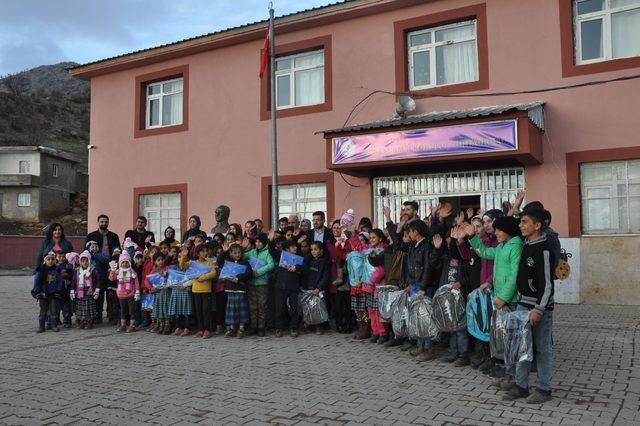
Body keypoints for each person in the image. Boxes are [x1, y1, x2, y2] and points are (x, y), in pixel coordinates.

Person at [502, 208, 555, 404]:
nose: (520, 225)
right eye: (521, 221)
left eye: (525, 222)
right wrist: (514, 207)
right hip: (522, 306)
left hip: (538, 309)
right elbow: (507, 223)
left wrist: (539, 309)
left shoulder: (544, 248)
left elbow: (547, 284)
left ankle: (544, 388)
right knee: (521, 347)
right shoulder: (525, 242)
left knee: (542, 350)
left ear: (537, 225)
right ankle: (521, 386)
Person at [462, 215, 523, 381]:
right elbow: (485, 252)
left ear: (507, 231)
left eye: (498, 230)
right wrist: (472, 238)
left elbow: (514, 276)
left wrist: (503, 297)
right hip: (501, 298)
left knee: (511, 338)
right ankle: (506, 372)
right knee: (502, 336)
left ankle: (513, 375)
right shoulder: (503, 246)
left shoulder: (515, 246)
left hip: (509, 300)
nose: (495, 233)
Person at [405, 219, 436, 361]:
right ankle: (420, 346)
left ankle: (429, 348)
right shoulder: (413, 245)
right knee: (416, 316)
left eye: (410, 231)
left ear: (416, 231)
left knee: (425, 316)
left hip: (423, 286)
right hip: (413, 284)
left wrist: (423, 287)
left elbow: (428, 268)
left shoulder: (427, 245)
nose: (409, 234)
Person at [179, 244, 217, 338]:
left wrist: (203, 276)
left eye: (206, 251)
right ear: (197, 253)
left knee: (206, 310)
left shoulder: (209, 263)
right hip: (196, 290)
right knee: (198, 311)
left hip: (206, 290)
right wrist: (184, 255)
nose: (205, 253)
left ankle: (207, 329)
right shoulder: (193, 263)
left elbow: (214, 273)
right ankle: (201, 329)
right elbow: (183, 265)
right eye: (202, 251)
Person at [244, 233, 275, 337]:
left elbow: (271, 265)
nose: (258, 244)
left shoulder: (267, 253)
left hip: (262, 284)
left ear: (264, 242)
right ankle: (253, 327)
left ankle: (261, 327)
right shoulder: (252, 252)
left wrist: (258, 272)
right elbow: (242, 256)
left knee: (262, 306)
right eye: (256, 242)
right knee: (253, 306)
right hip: (251, 283)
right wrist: (243, 248)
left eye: (260, 241)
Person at [218, 243, 252, 338]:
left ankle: (241, 328)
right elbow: (219, 263)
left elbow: (249, 273)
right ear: (230, 254)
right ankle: (232, 328)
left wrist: (239, 278)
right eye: (235, 253)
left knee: (241, 310)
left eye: (239, 252)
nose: (237, 254)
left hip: (240, 289)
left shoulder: (245, 262)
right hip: (230, 289)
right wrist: (224, 252)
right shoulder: (228, 261)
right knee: (231, 310)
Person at [274, 240, 305, 338]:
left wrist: (297, 268)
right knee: (280, 308)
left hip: (294, 287)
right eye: (292, 246)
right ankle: (279, 328)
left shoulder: (299, 258)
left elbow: (306, 268)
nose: (295, 248)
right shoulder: (280, 256)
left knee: (294, 308)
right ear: (287, 249)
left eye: (295, 246)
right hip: (281, 286)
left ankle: (294, 328)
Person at [31, 251, 64, 333]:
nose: (50, 261)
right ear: (45, 260)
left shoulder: (57, 270)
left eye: (52, 259)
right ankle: (41, 326)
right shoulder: (40, 270)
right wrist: (36, 292)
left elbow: (60, 281)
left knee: (53, 310)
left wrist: (59, 291)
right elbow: (36, 282)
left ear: (55, 260)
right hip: (43, 294)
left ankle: (53, 325)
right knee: (43, 310)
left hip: (53, 294)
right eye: (48, 259)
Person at [301, 242, 330, 334]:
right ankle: (309, 324)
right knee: (309, 307)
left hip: (318, 290)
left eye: (315, 249)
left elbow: (325, 277)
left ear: (321, 250)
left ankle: (319, 326)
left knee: (318, 307)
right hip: (309, 289)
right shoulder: (310, 261)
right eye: (312, 249)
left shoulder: (324, 262)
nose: (313, 251)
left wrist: (319, 288)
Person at [109, 252, 140, 333]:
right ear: (120, 263)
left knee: (132, 310)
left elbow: (136, 282)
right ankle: (123, 324)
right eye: (123, 262)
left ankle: (132, 324)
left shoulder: (132, 271)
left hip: (131, 294)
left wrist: (137, 292)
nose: (125, 264)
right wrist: (112, 271)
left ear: (129, 262)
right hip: (121, 294)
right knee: (123, 310)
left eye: (127, 262)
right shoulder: (118, 271)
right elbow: (111, 278)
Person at [70, 251, 100, 329]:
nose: (85, 263)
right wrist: (72, 290)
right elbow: (74, 281)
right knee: (81, 307)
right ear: (80, 262)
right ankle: (82, 321)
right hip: (80, 291)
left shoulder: (93, 270)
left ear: (89, 261)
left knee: (89, 307)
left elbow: (97, 281)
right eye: (83, 261)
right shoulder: (77, 271)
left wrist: (97, 290)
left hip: (90, 291)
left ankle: (89, 322)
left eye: (86, 261)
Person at [146, 253, 171, 334]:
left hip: (166, 293)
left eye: (162, 259)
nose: (161, 261)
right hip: (158, 294)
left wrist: (168, 284)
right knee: (160, 309)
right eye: (158, 260)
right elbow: (147, 280)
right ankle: (161, 325)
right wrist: (151, 288)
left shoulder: (168, 269)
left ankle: (167, 326)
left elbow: (171, 279)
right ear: (155, 262)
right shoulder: (153, 270)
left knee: (165, 308)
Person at [55, 250, 74, 328]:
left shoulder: (68, 266)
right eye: (59, 257)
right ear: (56, 257)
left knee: (66, 308)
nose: (61, 258)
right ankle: (56, 321)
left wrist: (65, 274)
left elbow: (72, 275)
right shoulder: (54, 266)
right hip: (56, 291)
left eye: (63, 257)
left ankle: (67, 321)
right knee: (56, 308)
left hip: (66, 290)